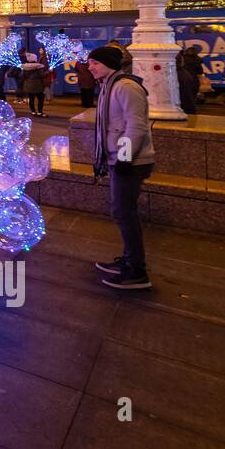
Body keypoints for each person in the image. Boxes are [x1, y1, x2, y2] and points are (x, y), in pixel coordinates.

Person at [87, 45, 155, 290]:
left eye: (94, 62)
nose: (90, 67)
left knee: (123, 213)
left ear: (108, 64)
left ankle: (136, 271)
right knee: (122, 212)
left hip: (131, 161)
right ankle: (129, 260)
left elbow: (135, 126)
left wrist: (125, 157)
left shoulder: (126, 87)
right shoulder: (109, 85)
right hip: (119, 158)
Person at [21, 52, 48, 116]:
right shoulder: (39, 66)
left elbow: (22, 76)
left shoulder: (24, 67)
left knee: (31, 99)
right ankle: (40, 112)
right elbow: (42, 75)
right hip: (38, 85)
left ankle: (33, 111)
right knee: (40, 99)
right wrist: (49, 71)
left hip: (28, 85)